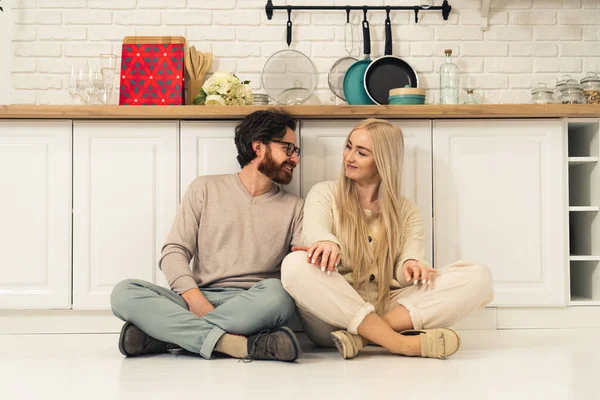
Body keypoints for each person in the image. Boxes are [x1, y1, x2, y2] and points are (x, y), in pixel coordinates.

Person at [281, 118, 494, 360]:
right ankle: (398, 343)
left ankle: (361, 338)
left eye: (361, 153)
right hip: (332, 317)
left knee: (479, 276)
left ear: (383, 161)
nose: (348, 157)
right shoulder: (325, 193)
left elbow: (408, 264)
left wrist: (411, 267)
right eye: (348, 147)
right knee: (294, 264)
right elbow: (315, 231)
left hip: (389, 305)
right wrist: (326, 242)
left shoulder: (406, 210)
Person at [110, 109, 304, 362]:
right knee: (124, 293)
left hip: (253, 303)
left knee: (280, 296)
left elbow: (297, 270)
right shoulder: (204, 188)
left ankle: (165, 337)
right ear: (259, 147)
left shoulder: (297, 206)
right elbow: (174, 251)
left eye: (296, 151)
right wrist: (195, 299)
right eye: (288, 149)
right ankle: (240, 345)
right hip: (197, 296)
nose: (295, 159)